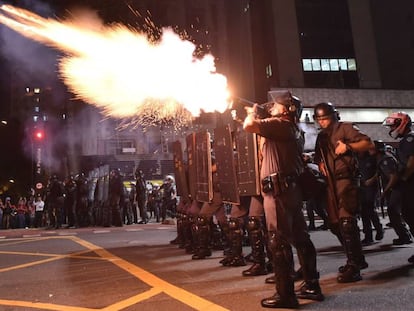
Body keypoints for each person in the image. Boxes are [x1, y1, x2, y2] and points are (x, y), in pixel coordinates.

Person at [244, 90, 323, 309]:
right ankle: (311, 285)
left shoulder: (279, 124)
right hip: (290, 190)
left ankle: (286, 294)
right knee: (300, 238)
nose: (272, 106)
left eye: (276, 105)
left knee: (278, 241)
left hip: (278, 191)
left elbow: (248, 126)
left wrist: (253, 112)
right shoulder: (292, 129)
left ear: (287, 110)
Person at [313, 102, 374, 283]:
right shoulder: (321, 137)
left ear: (334, 116)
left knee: (347, 222)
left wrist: (348, 147)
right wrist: (318, 164)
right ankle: (356, 258)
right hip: (330, 183)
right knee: (334, 224)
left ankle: (354, 265)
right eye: (320, 119)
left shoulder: (345, 128)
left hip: (346, 179)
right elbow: (319, 158)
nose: (323, 122)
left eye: (326, 118)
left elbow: (367, 143)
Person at [382, 112, 414, 263]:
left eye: (393, 125)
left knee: (411, 215)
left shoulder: (409, 140)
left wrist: (404, 177)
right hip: (408, 184)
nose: (391, 129)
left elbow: (411, 162)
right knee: (408, 215)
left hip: (410, 184)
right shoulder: (406, 140)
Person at [374, 140, 412, 245]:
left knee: (394, 211)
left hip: (397, 188)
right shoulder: (382, 158)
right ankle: (404, 235)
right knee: (399, 212)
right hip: (395, 188)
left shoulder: (385, 159)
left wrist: (385, 191)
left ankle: (404, 236)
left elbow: (393, 177)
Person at [357, 147, 384, 245]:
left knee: (370, 209)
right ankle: (368, 236)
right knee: (364, 212)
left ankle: (379, 229)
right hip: (360, 188)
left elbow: (379, 171)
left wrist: (372, 180)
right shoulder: (356, 159)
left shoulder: (372, 158)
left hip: (371, 187)